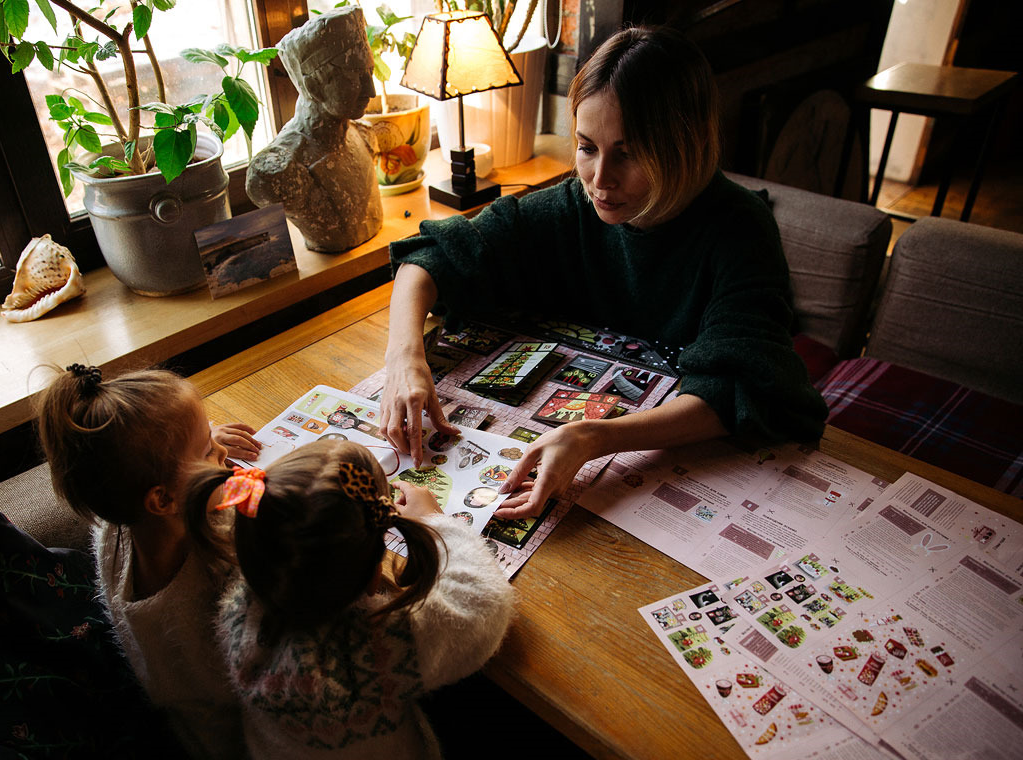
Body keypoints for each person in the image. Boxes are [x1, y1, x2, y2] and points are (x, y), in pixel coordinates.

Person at [379, 25, 828, 520]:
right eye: (587, 146)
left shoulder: (741, 229)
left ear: (687, 145)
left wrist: (592, 436)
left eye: (629, 153)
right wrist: (403, 356)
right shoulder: (574, 204)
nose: (599, 179)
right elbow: (430, 254)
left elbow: (743, 388)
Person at [182, 438, 516, 760]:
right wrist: (437, 524)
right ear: (376, 575)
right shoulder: (376, 653)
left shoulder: (237, 600)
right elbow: (484, 601)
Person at [36, 363, 261, 760]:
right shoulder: (218, 580)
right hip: (240, 746)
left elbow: (182, 485)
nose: (224, 455)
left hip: (187, 721)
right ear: (162, 500)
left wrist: (197, 457)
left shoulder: (115, 529)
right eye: (210, 451)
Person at [245, 5, 383, 252]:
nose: (370, 90)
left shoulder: (363, 134)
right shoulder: (280, 171)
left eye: (369, 72)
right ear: (314, 86)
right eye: (354, 76)